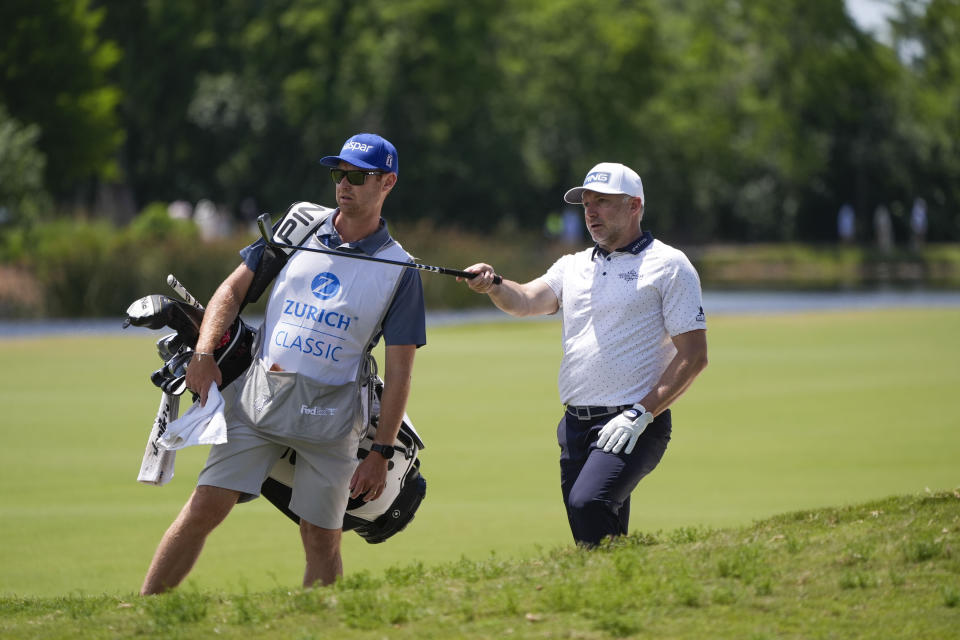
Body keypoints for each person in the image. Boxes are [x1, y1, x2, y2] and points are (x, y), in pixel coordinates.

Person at [140, 133, 426, 594]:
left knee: (321, 539)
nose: (343, 184)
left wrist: (381, 452)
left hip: (333, 423)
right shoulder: (301, 227)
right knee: (203, 508)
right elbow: (231, 291)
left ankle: (319, 627)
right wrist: (204, 353)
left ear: (387, 182)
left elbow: (400, 372)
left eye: (357, 176)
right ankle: (142, 615)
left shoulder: (400, 270)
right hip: (258, 404)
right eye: (339, 174)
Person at [460, 162, 708, 547]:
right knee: (594, 539)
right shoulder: (572, 266)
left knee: (588, 502)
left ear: (634, 206)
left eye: (603, 203)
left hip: (635, 421)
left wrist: (639, 414)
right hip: (576, 425)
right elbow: (525, 300)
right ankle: (620, 594)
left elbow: (694, 357)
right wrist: (494, 285)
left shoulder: (669, 265)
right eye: (587, 203)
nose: (591, 212)